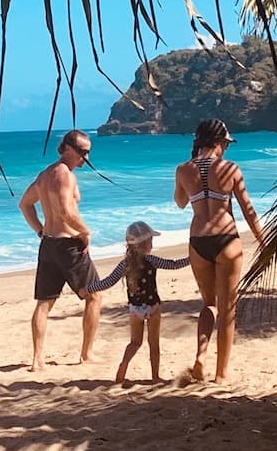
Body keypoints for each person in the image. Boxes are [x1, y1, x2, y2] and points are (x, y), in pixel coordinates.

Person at [173, 118, 264, 383]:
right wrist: (263, 240)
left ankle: (200, 355)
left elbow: (180, 203)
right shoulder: (230, 169)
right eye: (224, 143)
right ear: (216, 143)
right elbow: (248, 210)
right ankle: (221, 374)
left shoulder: (182, 169)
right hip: (226, 238)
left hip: (199, 240)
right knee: (228, 310)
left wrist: (193, 186)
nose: (226, 148)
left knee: (208, 304)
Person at [18, 128, 104, 371]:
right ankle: (86, 354)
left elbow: (25, 204)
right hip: (68, 245)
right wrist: (85, 232)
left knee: (45, 303)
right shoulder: (65, 174)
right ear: (66, 148)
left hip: (49, 244)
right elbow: (66, 211)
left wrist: (40, 230)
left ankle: (38, 360)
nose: (85, 157)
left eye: (88, 152)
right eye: (81, 151)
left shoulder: (45, 175)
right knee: (94, 296)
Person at [111, 220, 187, 385]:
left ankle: (123, 366)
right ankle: (155, 376)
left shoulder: (125, 264)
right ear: (145, 243)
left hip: (134, 310)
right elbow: (173, 265)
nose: (152, 243)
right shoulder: (152, 260)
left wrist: (89, 288)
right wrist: (192, 259)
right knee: (154, 343)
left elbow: (108, 281)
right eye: (150, 240)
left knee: (135, 342)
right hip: (153, 307)